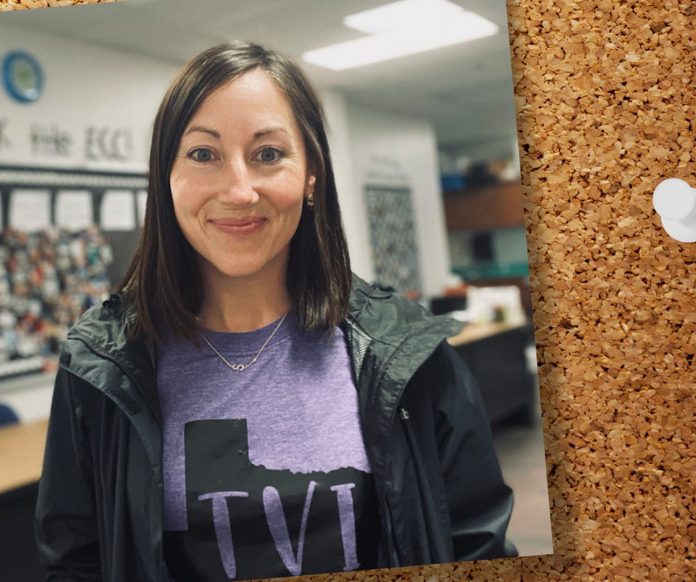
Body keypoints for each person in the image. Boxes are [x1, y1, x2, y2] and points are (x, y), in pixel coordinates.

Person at [35, 41, 516, 581]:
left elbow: (477, 548)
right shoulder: (99, 364)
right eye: (203, 154)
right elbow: (75, 562)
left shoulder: (407, 352)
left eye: (268, 154)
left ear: (311, 175)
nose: (239, 190)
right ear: (165, 178)